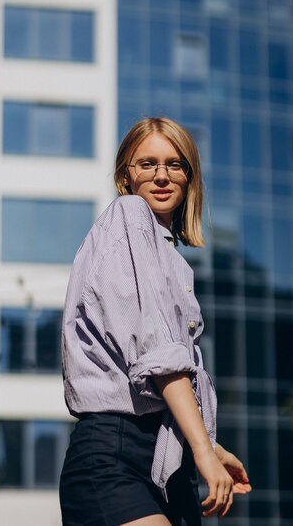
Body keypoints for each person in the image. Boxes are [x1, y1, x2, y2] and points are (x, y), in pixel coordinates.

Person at [59, 117, 251, 526]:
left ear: (189, 179)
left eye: (175, 164)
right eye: (146, 164)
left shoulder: (176, 265)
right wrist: (202, 449)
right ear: (125, 176)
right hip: (114, 455)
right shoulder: (128, 216)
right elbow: (158, 355)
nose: (161, 176)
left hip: (167, 463)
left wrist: (210, 447)